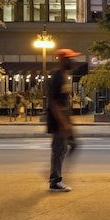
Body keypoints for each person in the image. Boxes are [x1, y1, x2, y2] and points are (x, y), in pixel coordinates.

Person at [47, 48, 80, 193]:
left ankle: (55, 174)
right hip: (59, 122)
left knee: (69, 146)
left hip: (63, 121)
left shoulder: (63, 75)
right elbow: (55, 103)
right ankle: (55, 180)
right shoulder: (58, 76)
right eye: (70, 59)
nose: (73, 62)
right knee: (59, 149)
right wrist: (64, 123)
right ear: (63, 60)